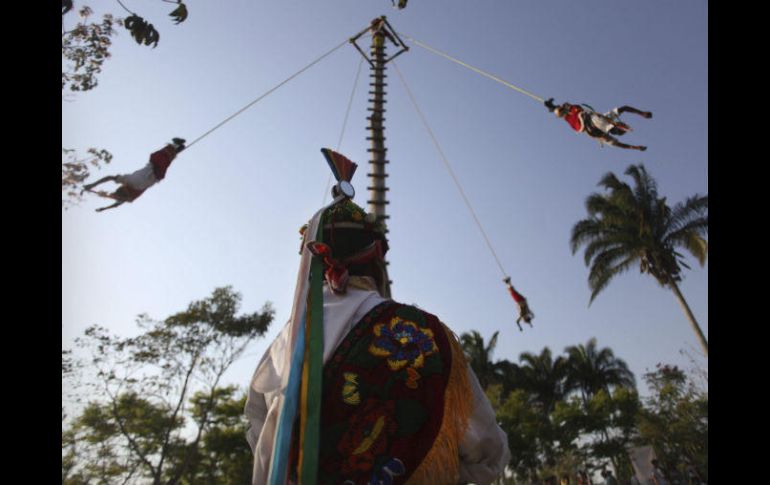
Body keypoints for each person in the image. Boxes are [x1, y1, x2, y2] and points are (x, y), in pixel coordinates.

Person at [244, 149, 511, 485]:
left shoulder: (284, 346)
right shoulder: (423, 332)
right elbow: (487, 450)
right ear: (376, 259)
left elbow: (260, 443)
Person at [82, 138, 186, 212]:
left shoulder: (126, 182)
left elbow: (110, 181)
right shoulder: (130, 193)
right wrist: (104, 206)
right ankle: (175, 148)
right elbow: (118, 202)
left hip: (154, 169)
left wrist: (93, 185)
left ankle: (176, 147)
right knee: (162, 158)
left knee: (162, 158)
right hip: (156, 172)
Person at [544, 98, 652, 151]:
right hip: (583, 118)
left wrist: (636, 147)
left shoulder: (605, 135)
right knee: (566, 111)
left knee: (563, 112)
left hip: (583, 123)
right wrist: (641, 113)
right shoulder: (609, 118)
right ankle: (553, 107)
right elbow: (624, 108)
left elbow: (620, 145)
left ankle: (552, 108)